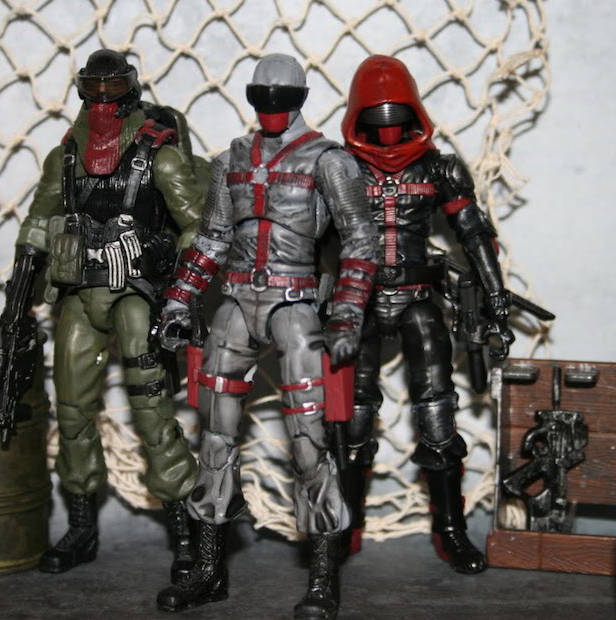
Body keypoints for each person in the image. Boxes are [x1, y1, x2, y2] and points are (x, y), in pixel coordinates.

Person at [154, 53, 378, 620]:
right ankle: (209, 569)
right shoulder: (231, 159)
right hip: (235, 302)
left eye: (281, 100)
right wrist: (179, 298)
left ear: (299, 100)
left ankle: (323, 577)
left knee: (309, 440)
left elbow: (360, 238)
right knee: (215, 436)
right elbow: (211, 237)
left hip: (296, 304)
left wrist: (347, 315)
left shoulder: (329, 161)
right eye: (262, 99)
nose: (271, 110)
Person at [0, 49, 207, 579]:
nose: (104, 101)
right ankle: (83, 525)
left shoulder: (160, 156)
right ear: (82, 92)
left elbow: (196, 226)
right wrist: (20, 286)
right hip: (79, 292)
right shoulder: (65, 156)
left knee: (152, 412)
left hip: (136, 293)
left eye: (113, 90)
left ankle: (183, 531)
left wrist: (179, 289)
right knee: (71, 410)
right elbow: (38, 220)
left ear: (131, 92)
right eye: (94, 90)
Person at [338, 55, 514, 573]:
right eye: (378, 120)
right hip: (358, 301)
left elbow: (474, 232)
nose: (389, 132)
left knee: (438, 414)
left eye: (397, 118)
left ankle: (450, 530)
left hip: (419, 299)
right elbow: (307, 235)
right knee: (351, 419)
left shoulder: (440, 166)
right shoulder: (339, 167)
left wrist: (495, 291)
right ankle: (345, 526)